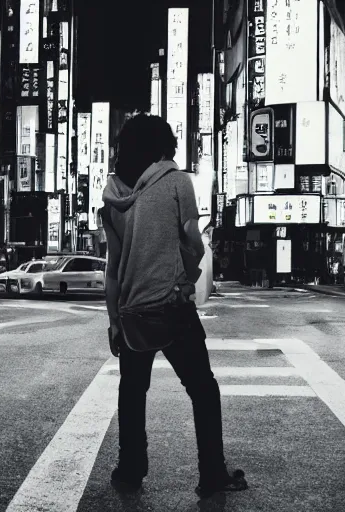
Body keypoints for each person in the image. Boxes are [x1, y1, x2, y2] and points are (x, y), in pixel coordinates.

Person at [99, 114, 247, 497]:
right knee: (202, 388)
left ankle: (131, 470)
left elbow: (112, 269)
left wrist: (113, 320)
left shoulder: (113, 196)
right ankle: (211, 472)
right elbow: (193, 243)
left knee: (133, 391)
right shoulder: (178, 182)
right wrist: (185, 280)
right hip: (171, 307)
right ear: (163, 147)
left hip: (131, 312)